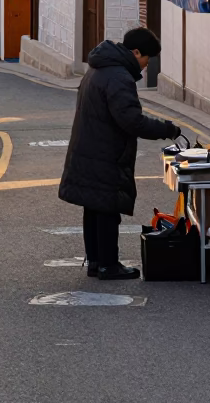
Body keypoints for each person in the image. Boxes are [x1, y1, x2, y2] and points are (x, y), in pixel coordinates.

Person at [59, 26, 181, 280]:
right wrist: (167, 129)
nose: (147, 65)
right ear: (136, 52)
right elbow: (131, 121)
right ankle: (108, 265)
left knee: (93, 207)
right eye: (147, 58)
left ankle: (96, 262)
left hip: (89, 147)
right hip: (106, 151)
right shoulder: (118, 77)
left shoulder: (99, 68)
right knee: (106, 208)